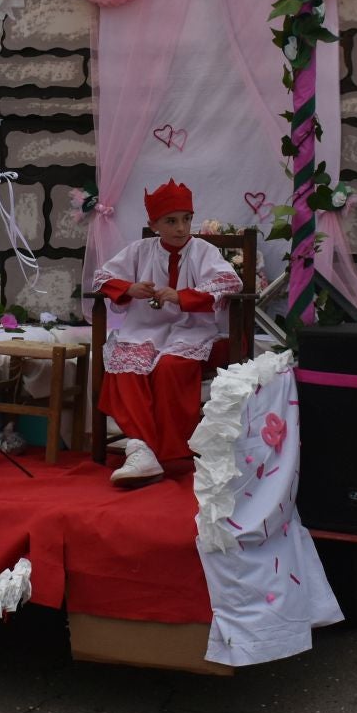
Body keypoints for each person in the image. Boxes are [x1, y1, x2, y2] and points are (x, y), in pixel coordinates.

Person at [93, 180, 241, 486]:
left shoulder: (203, 250)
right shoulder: (139, 250)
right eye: (171, 221)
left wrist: (183, 296)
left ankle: (158, 452)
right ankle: (143, 451)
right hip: (144, 330)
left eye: (186, 218)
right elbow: (102, 277)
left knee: (170, 368)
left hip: (191, 333)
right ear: (154, 224)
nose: (181, 228)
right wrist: (129, 288)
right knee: (125, 366)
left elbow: (229, 282)